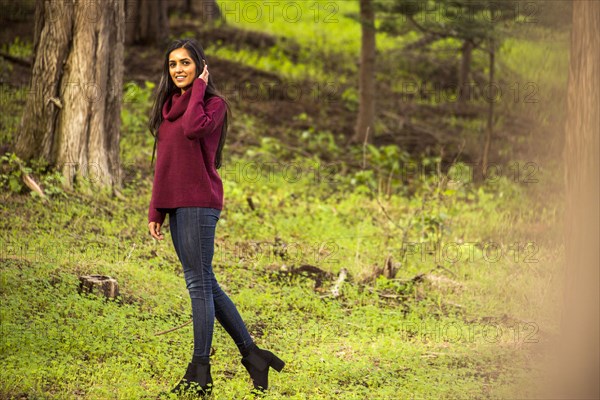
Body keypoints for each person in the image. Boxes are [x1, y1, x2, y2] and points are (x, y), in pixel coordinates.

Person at [147, 38, 284, 397]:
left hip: (200, 202)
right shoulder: (167, 106)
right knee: (205, 282)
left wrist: (202, 87)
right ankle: (254, 356)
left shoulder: (213, 104)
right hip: (177, 204)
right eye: (173, 63)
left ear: (200, 67)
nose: (178, 69)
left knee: (198, 285)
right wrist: (156, 209)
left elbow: (194, 128)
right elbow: (165, 163)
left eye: (186, 63)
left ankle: (200, 372)